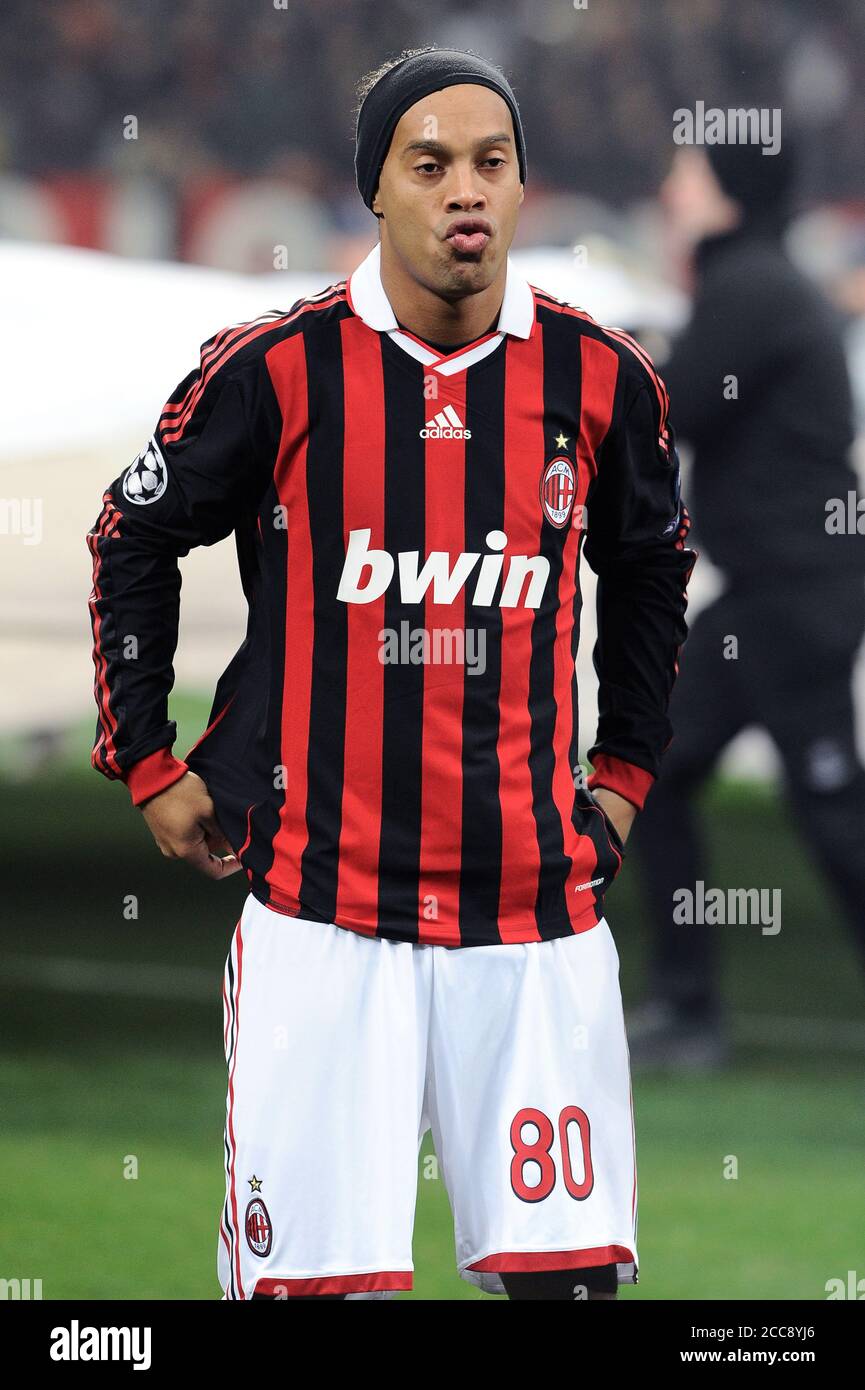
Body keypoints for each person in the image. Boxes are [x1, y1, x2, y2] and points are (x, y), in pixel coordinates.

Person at [86, 45, 695, 1300]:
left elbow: (650, 568)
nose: (464, 190)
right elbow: (131, 536)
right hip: (323, 924)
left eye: (492, 163)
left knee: (567, 1289)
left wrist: (624, 767)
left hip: (534, 929)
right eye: (429, 165)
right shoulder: (273, 368)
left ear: (525, 190)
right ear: (378, 190)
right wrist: (145, 758)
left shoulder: (600, 377)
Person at [626, 140, 865, 1070]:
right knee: (660, 770)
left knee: (830, 808)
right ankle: (687, 1012)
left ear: (726, 193)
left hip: (794, 598)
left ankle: (688, 1013)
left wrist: (621, 358)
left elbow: (670, 406)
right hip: (781, 594)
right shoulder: (756, 284)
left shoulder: (752, 288)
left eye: (685, 173)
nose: (669, 186)